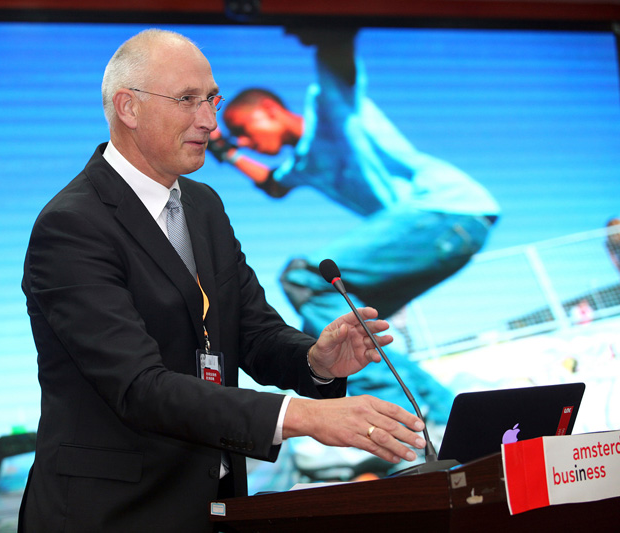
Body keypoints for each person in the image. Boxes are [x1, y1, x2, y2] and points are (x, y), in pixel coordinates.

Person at [19, 29, 427, 532]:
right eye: (187, 100)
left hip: (215, 508)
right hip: (113, 516)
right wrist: (304, 416)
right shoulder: (71, 226)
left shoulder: (204, 206)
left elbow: (252, 331)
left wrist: (315, 362)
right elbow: (139, 388)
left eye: (211, 98)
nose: (209, 120)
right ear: (128, 107)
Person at [208, 29, 500, 431]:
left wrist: (328, 26)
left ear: (270, 109)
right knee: (345, 333)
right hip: (444, 232)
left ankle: (405, 421)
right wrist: (224, 151)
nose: (245, 142)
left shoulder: (329, 108)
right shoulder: (303, 164)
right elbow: (274, 185)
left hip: (444, 210)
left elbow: (336, 57)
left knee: (305, 279)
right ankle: (457, 423)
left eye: (243, 129)